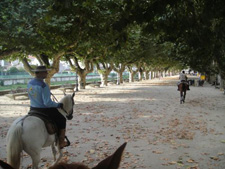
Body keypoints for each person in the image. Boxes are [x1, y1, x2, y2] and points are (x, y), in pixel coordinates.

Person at [27, 65, 68, 149]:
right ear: (41, 73)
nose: (47, 73)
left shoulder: (29, 83)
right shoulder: (43, 85)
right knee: (62, 119)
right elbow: (47, 103)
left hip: (33, 109)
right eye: (45, 72)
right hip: (44, 110)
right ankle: (61, 142)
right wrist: (58, 104)